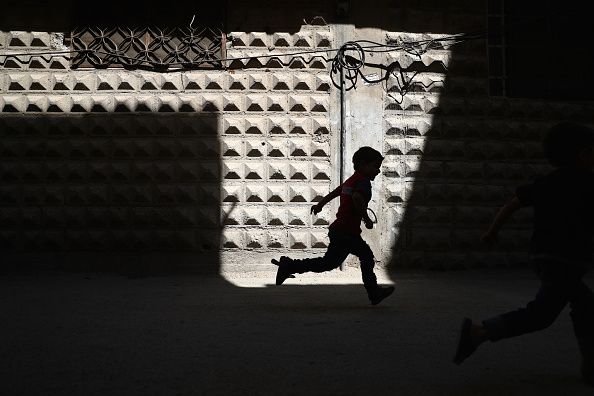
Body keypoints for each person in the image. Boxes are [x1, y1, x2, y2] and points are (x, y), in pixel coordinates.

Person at [453, 122, 594, 386]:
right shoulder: (587, 182)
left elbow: (512, 205)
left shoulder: (545, 183)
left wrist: (492, 232)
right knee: (542, 315)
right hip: (566, 261)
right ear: (583, 154)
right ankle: (479, 332)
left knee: (584, 306)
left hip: (544, 258)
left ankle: (590, 368)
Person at [272, 146, 395, 305]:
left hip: (339, 230)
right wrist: (367, 219)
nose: (377, 171)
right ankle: (374, 292)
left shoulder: (353, 179)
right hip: (347, 232)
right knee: (366, 257)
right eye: (375, 166)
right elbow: (357, 198)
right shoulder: (363, 182)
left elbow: (338, 191)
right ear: (363, 164)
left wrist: (320, 204)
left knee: (328, 263)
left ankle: (289, 266)